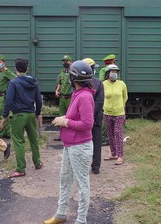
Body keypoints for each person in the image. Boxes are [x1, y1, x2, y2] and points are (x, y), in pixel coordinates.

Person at [44, 61, 94, 224]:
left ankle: (81, 220)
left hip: (80, 146)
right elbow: (76, 117)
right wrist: (65, 118)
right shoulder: (78, 94)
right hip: (70, 144)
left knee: (82, 184)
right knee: (64, 179)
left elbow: (87, 124)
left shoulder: (85, 96)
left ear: (73, 78)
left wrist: (65, 122)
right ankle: (61, 214)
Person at [0, 58, 43, 178]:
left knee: (18, 141)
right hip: (31, 113)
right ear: (26, 68)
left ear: (16, 68)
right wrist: (37, 113)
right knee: (33, 140)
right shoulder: (33, 82)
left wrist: (4, 116)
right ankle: (37, 163)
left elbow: (8, 101)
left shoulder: (13, 83)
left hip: (19, 115)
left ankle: (20, 169)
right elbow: (38, 100)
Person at [82, 58, 104, 175]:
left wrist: (85, 116)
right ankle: (96, 167)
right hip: (96, 119)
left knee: (82, 143)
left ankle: (82, 166)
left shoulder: (78, 84)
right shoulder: (98, 83)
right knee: (96, 142)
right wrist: (91, 115)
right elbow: (99, 102)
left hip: (82, 120)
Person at [103, 64, 128, 165]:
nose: (114, 74)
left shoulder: (121, 84)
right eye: (112, 72)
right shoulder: (103, 84)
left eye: (115, 72)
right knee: (110, 134)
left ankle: (120, 156)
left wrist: (121, 107)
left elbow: (125, 97)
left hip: (119, 113)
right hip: (107, 113)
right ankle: (113, 153)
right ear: (108, 73)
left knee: (118, 133)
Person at [0, 54, 17, 139]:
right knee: (5, 115)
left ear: (4, 63)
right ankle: (7, 133)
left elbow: (16, 79)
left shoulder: (7, 72)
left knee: (1, 114)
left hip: (3, 96)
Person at [54, 55, 73, 141]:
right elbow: (59, 84)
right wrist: (57, 91)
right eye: (64, 61)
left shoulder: (73, 73)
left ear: (70, 62)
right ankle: (61, 135)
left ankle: (71, 134)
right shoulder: (61, 73)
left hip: (70, 98)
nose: (65, 63)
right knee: (61, 116)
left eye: (67, 61)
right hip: (62, 98)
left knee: (70, 116)